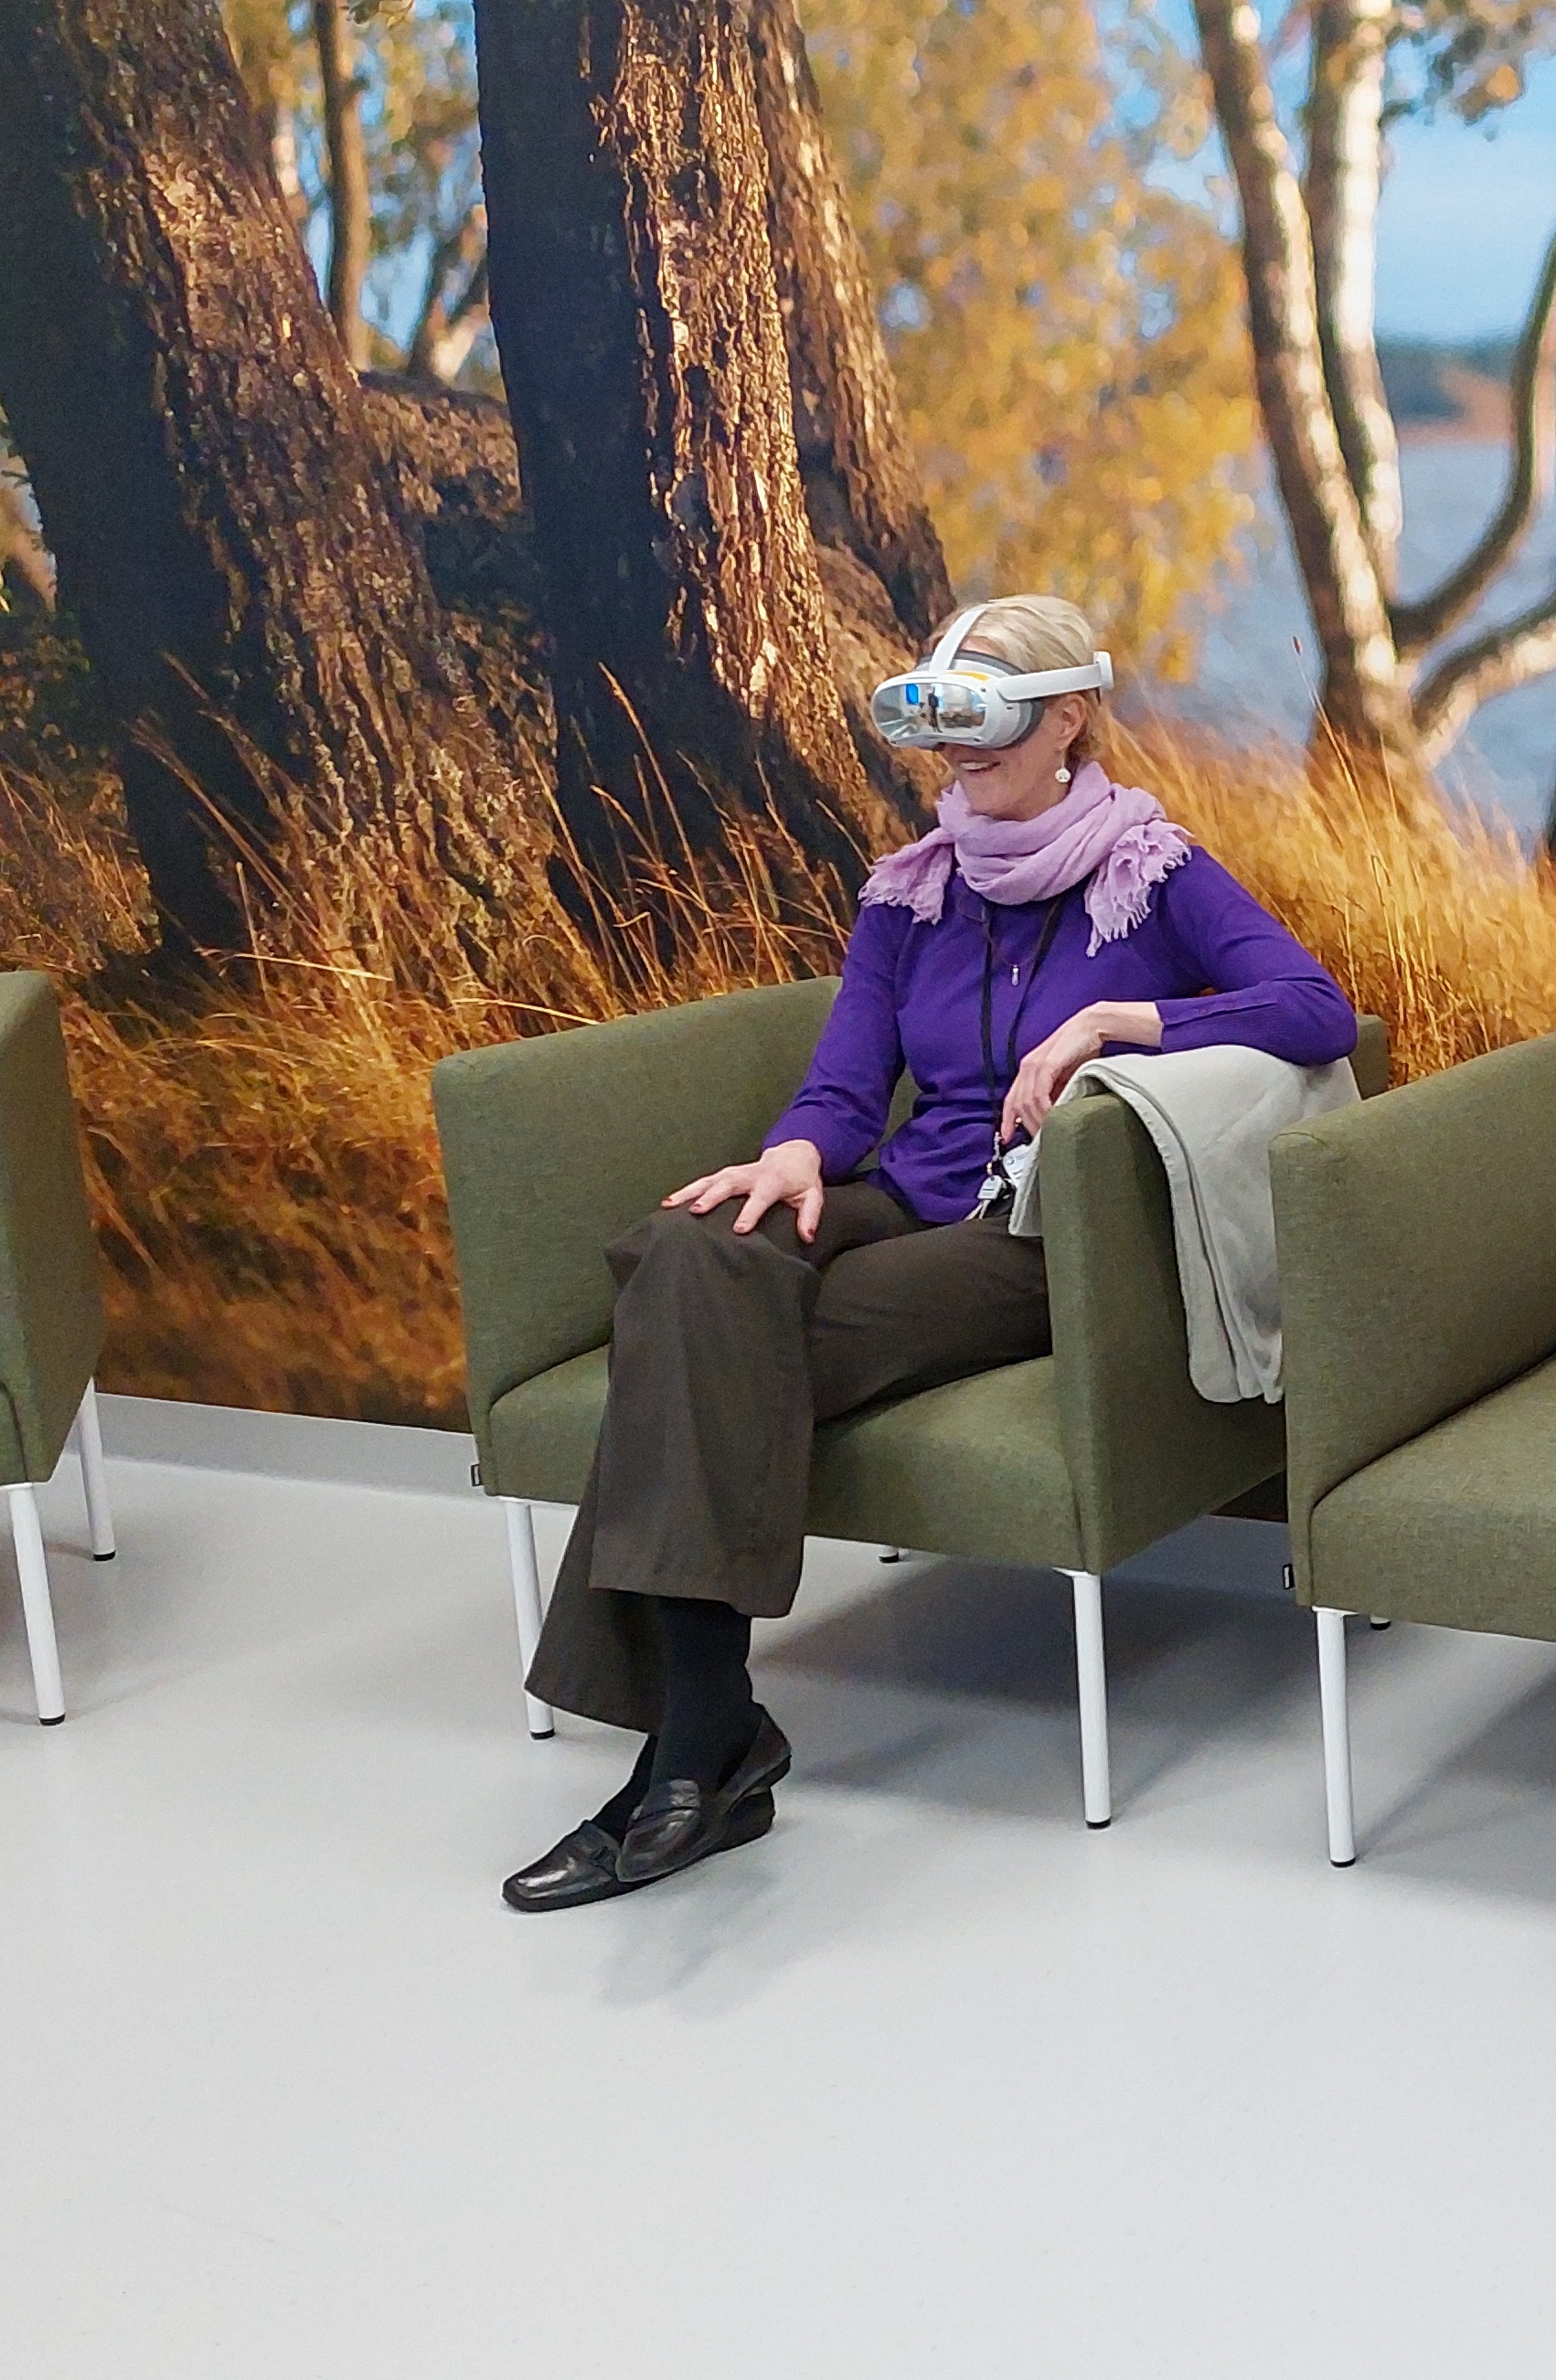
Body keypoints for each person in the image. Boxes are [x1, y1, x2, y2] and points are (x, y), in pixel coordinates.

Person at [502, 595, 1359, 1912]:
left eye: (991, 722)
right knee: (690, 1254)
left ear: (1069, 719)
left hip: (1032, 1234)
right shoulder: (914, 891)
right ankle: (711, 1728)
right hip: (907, 1185)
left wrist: (1116, 1025)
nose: (959, 757)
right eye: (943, 729)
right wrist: (794, 1154)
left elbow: (1314, 1009)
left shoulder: (1156, 875)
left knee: (702, 1345)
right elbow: (849, 1086)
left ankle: (693, 1754)